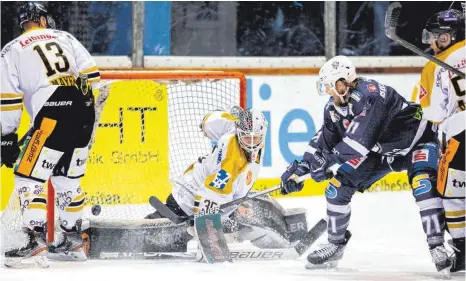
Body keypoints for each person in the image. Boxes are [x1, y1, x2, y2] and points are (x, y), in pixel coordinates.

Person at [280, 55, 454, 275]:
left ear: (343, 83)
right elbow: (323, 141)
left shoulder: (372, 95)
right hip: (381, 152)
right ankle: (335, 244)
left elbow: (358, 142)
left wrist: (327, 161)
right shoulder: (333, 108)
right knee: (336, 188)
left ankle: (438, 246)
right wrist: (300, 168)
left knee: (423, 186)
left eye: (330, 86)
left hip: (417, 142)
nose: (328, 92)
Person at [1, 2, 99, 263]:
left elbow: (8, 99)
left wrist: (7, 136)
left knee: (28, 177)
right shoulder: (65, 37)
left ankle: (34, 241)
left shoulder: (11, 49)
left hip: (53, 113)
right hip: (85, 111)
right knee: (67, 179)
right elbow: (93, 75)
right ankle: (73, 241)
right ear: (42, 20)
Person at [411, 9, 465, 272]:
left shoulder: (434, 67)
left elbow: (434, 113)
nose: (431, 43)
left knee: (452, 194)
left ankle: (462, 250)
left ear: (448, 37)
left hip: (461, 136)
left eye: (435, 37)